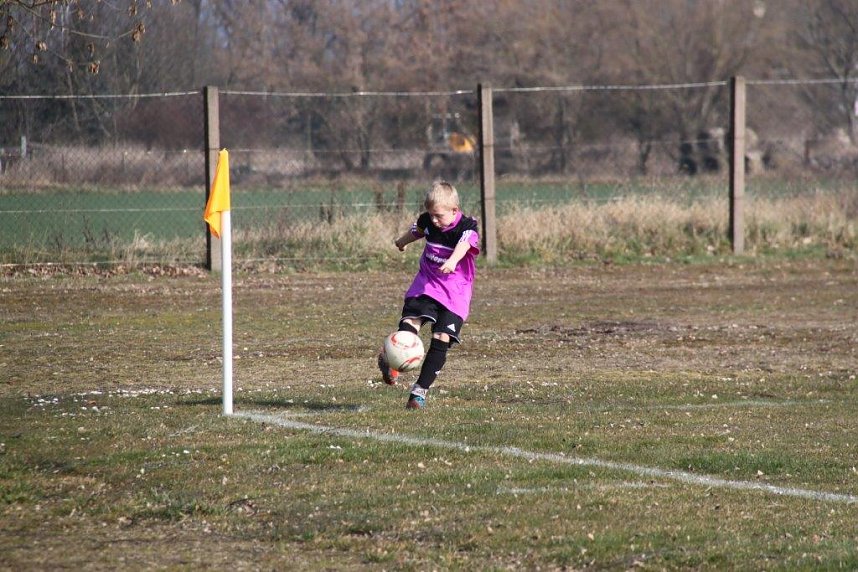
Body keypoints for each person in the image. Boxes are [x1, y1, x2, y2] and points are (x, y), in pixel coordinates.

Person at [377, 180, 481, 409]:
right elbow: (417, 231)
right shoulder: (428, 221)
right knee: (411, 322)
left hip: (455, 293)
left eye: (439, 216)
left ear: (454, 210)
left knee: (441, 337)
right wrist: (401, 242)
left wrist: (452, 261)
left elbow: (464, 245)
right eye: (431, 214)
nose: (434, 220)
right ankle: (393, 361)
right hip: (428, 284)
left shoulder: (467, 227)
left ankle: (419, 392)